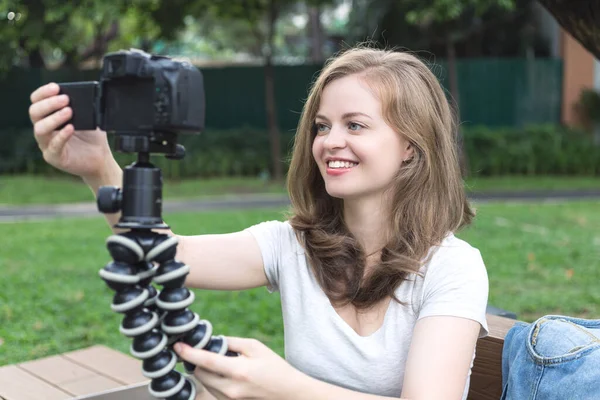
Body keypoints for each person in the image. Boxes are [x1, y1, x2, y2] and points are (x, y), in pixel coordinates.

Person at [28, 46, 489, 400]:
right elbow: (171, 256)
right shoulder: (292, 245)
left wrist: (288, 387)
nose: (330, 142)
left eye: (356, 125)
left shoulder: (452, 268)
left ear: (410, 145)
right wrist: (98, 167)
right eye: (322, 126)